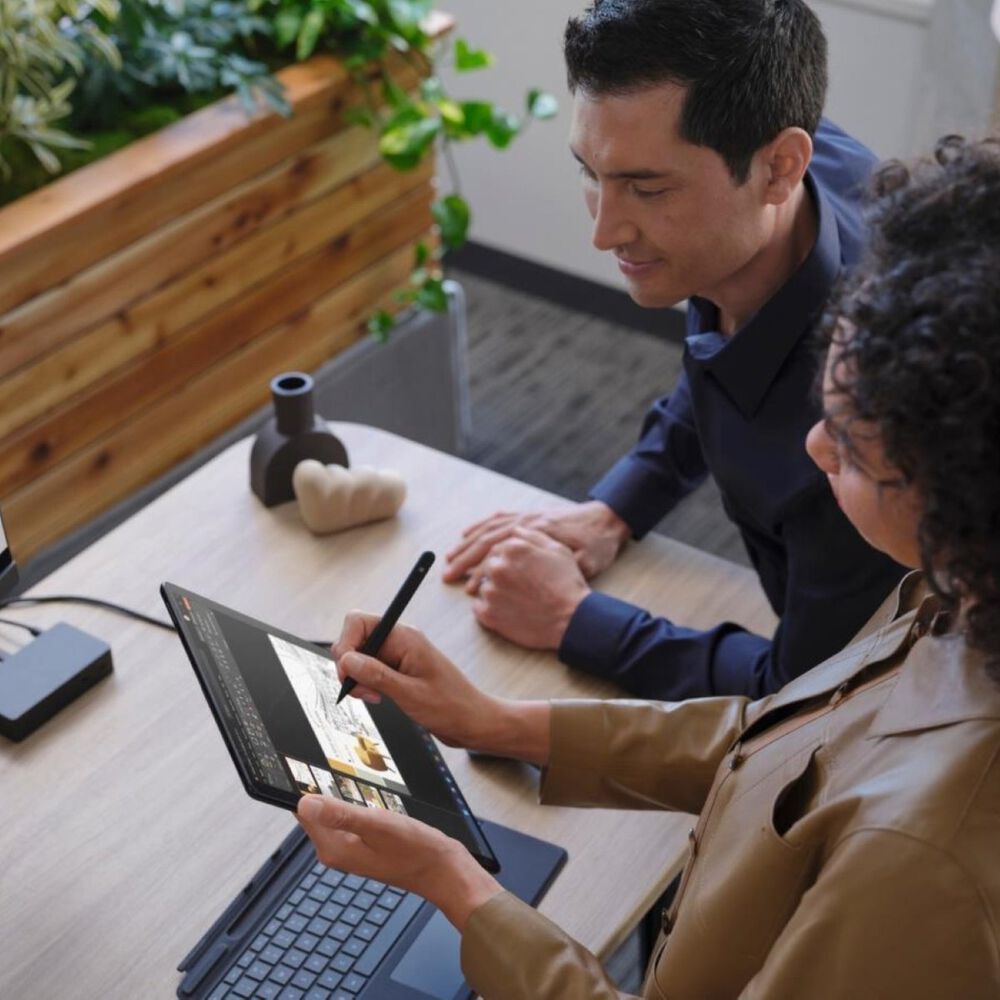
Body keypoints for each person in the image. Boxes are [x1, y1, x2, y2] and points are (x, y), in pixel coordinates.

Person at [298, 136, 1000, 997]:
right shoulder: (958, 585)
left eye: (851, 444)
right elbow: (798, 741)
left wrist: (458, 886)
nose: (812, 444)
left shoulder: (919, 866)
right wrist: (499, 723)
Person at [442, 0, 905, 700]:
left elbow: (815, 691)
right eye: (591, 174)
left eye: (647, 188)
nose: (604, 231)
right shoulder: (789, 167)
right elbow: (728, 354)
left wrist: (574, 619)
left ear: (781, 166)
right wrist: (616, 510)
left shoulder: (862, 431)